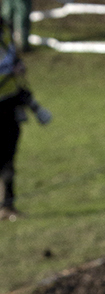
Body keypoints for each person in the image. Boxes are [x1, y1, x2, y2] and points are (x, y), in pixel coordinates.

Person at [1, 18, 51, 221]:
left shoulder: (5, 27)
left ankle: (7, 205)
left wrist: (18, 66)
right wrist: (9, 71)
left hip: (10, 100)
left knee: (9, 157)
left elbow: (11, 55)